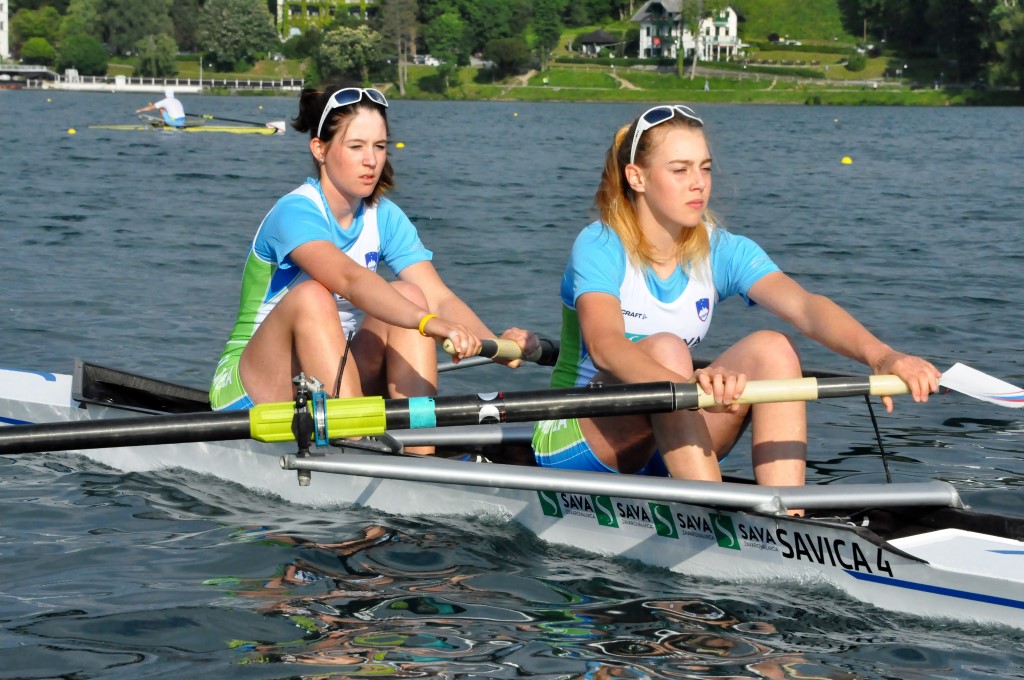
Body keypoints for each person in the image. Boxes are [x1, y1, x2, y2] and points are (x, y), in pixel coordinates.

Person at [532, 104, 939, 488]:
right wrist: (689, 388)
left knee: (773, 348)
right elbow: (606, 346)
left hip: (672, 428)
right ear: (637, 178)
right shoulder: (600, 244)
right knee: (668, 349)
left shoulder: (722, 249)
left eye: (705, 168)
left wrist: (881, 357)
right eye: (680, 170)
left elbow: (805, 307)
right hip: (577, 435)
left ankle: (785, 515)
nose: (698, 183)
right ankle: (710, 512)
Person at [209, 85, 537, 435]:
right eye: (356, 147)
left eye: (379, 146)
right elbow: (349, 280)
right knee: (313, 296)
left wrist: (498, 347)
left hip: (330, 378)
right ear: (319, 149)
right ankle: (355, 438)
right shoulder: (295, 212)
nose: (371, 160)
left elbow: (438, 297)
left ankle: (419, 448)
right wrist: (429, 324)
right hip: (252, 389)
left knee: (411, 294)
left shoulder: (384, 216)